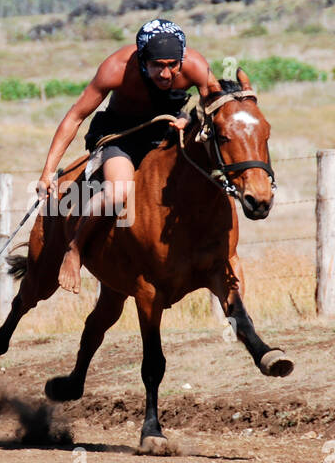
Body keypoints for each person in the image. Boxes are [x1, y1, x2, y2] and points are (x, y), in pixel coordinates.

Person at [35, 18, 223, 293]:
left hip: (168, 131)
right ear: (143, 59)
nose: (166, 74)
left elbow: (215, 106)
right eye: (158, 65)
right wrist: (47, 172)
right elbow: (75, 117)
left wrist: (191, 120)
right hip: (121, 136)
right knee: (118, 193)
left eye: (172, 65)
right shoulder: (117, 69)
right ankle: (75, 249)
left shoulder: (195, 66)